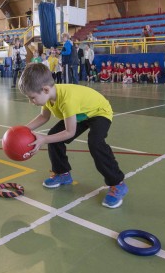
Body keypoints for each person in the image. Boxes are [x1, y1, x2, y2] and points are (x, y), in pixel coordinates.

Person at [18, 63, 128, 208]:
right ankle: (63, 174)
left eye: (32, 98)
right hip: (81, 114)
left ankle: (117, 183)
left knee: (95, 142)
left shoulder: (67, 100)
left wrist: (43, 139)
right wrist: (22, 129)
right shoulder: (49, 96)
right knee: (54, 136)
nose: (31, 102)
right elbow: (44, 117)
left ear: (45, 89)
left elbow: (69, 132)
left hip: (99, 112)